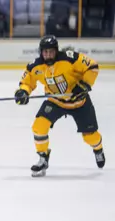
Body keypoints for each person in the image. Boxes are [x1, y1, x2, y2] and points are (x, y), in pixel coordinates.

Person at [15, 35, 105, 177]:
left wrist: (83, 85)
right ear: (41, 52)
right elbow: (27, 81)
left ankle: (98, 149)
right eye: (45, 52)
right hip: (55, 101)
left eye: (51, 51)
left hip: (79, 102)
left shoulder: (70, 58)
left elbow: (92, 66)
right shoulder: (35, 66)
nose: (48, 55)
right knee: (38, 127)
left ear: (56, 50)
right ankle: (43, 158)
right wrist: (23, 92)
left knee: (90, 137)